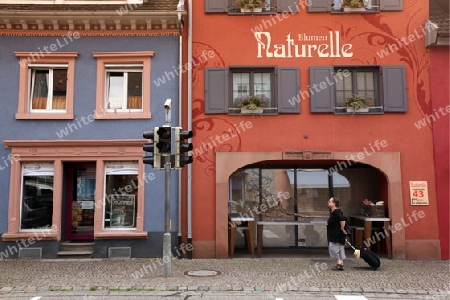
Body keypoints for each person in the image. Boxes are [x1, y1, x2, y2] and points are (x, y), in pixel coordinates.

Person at [327, 197, 347, 271]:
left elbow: (342, 220)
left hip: (337, 234)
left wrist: (342, 229)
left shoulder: (336, 212)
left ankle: (339, 263)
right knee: (340, 249)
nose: (328, 202)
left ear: (334, 203)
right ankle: (341, 264)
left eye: (330, 201)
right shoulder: (335, 211)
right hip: (337, 234)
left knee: (332, 248)